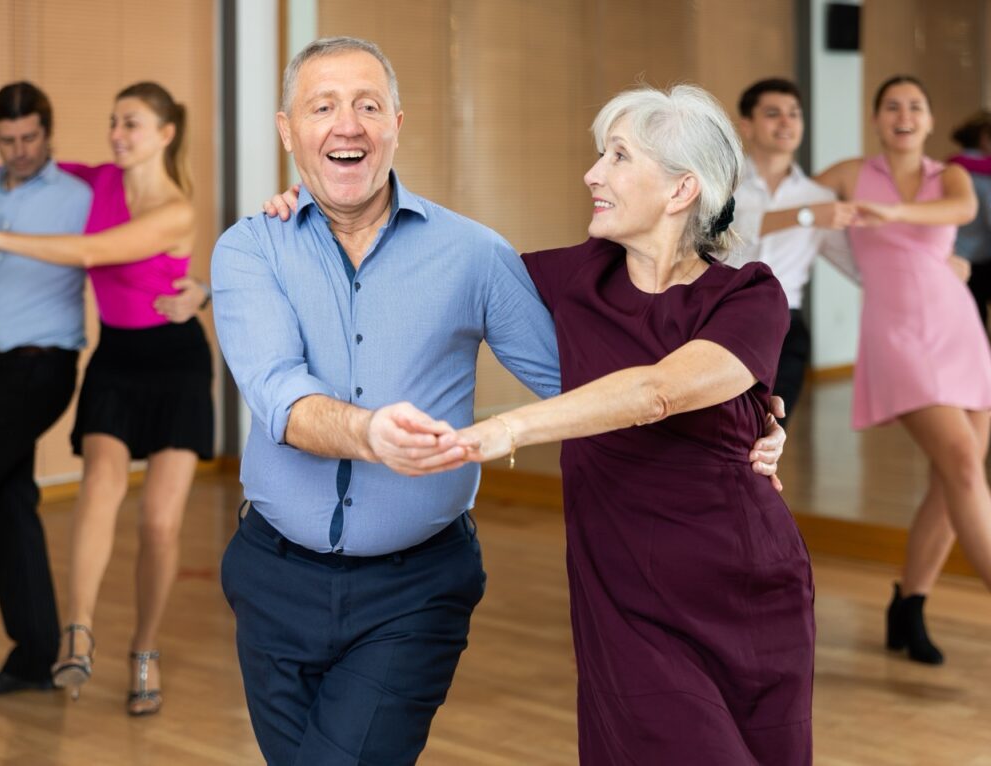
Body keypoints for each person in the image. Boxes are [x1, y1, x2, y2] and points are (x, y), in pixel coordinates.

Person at [220, 37, 786, 766]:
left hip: (414, 591)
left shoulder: (474, 256)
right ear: (287, 129)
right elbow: (277, 392)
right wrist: (370, 434)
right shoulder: (251, 248)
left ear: (398, 121)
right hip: (271, 581)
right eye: (321, 108)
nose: (347, 125)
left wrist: (751, 418)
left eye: (367, 106)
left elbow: (590, 385)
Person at [455, 84, 814, 765]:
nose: (593, 173)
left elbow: (659, 392)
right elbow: (434, 263)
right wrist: (313, 210)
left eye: (618, 156)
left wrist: (507, 429)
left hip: (744, 589)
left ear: (682, 190)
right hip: (624, 595)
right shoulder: (571, 279)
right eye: (601, 154)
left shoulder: (748, 294)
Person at [0, 81, 213, 714]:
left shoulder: (176, 208)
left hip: (174, 365)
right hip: (114, 360)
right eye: (112, 122)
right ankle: (71, 638)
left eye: (130, 123)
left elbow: (90, 251)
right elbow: (10, 170)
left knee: (158, 523)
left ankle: (145, 652)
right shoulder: (95, 180)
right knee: (84, 491)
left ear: (165, 133)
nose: (116, 133)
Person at [815, 75, 991, 665]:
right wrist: (828, 223)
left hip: (960, 331)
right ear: (876, 119)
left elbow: (961, 210)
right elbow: (788, 210)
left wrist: (895, 213)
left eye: (916, 105)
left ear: (931, 120)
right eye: (892, 106)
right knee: (966, 464)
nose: (904, 114)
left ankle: (908, 605)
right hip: (896, 337)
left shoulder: (952, 176)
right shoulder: (849, 172)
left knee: (953, 480)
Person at [0, 82, 91, 697]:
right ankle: (36, 654)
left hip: (41, 369)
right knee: (7, 500)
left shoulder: (78, 198)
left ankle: (35, 653)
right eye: (8, 140)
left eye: (30, 138)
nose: (20, 150)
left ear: (48, 131)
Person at [731, 78, 860, 423]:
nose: (786, 122)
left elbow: (857, 267)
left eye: (794, 114)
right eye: (773, 113)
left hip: (786, 327)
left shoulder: (820, 198)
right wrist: (805, 217)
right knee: (720, 434)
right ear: (747, 125)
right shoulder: (720, 184)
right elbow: (722, 230)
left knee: (769, 434)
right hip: (720, 318)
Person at [947, 110, 991, 328]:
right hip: (983, 259)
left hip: (956, 257)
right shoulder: (984, 175)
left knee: (972, 323)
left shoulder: (949, 169)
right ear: (985, 138)